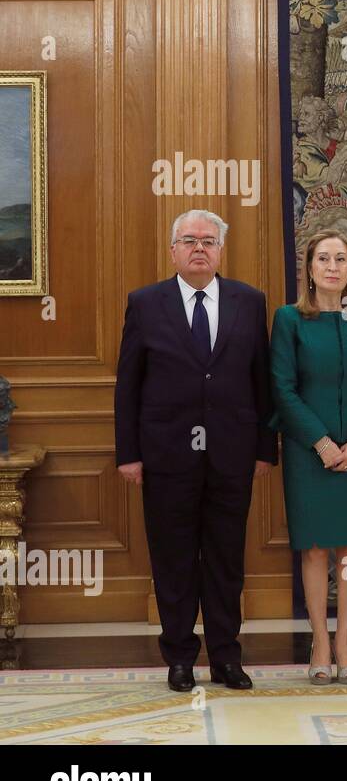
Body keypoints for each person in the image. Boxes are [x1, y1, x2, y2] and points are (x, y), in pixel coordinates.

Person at [114, 210, 276, 691]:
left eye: (208, 240)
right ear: (173, 251)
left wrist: (266, 447)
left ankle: (227, 657)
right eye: (189, 240)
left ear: (221, 250)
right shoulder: (145, 304)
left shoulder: (249, 301)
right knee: (174, 559)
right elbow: (129, 385)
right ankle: (180, 658)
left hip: (233, 453)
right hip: (166, 456)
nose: (199, 248)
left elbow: (261, 381)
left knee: (226, 559)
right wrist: (129, 453)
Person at [270, 230, 347, 685]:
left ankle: (345, 641)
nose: (333, 266)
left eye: (341, 259)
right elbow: (281, 388)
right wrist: (320, 442)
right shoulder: (290, 319)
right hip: (309, 451)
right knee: (316, 548)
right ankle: (320, 641)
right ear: (310, 268)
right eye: (324, 258)